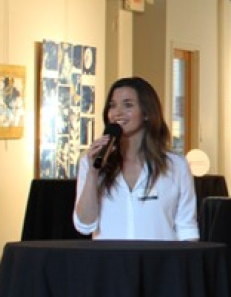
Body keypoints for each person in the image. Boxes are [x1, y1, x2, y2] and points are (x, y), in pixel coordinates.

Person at [73, 77, 198, 241]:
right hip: (110, 263)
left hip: (160, 263)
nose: (117, 112)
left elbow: (187, 228)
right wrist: (93, 173)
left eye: (128, 105)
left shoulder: (176, 165)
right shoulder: (90, 162)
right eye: (112, 105)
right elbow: (84, 225)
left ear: (146, 113)